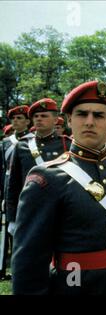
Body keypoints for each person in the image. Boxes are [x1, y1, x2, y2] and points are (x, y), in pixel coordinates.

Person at [12, 80, 106, 294]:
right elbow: (29, 260)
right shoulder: (47, 177)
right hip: (74, 285)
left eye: (99, 115)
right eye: (82, 114)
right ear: (68, 120)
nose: (90, 122)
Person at [5, 99, 71, 235]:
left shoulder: (67, 144)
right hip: (30, 210)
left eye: (44, 116)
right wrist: (12, 218)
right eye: (36, 116)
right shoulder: (22, 146)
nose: (39, 119)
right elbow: (14, 184)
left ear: (55, 119)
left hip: (61, 209)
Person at [0, 105, 31, 281]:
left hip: (26, 187)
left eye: (20, 118)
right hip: (8, 189)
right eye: (14, 119)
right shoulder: (5, 143)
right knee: (7, 231)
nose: (16, 121)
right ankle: (4, 267)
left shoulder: (32, 142)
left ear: (27, 121)